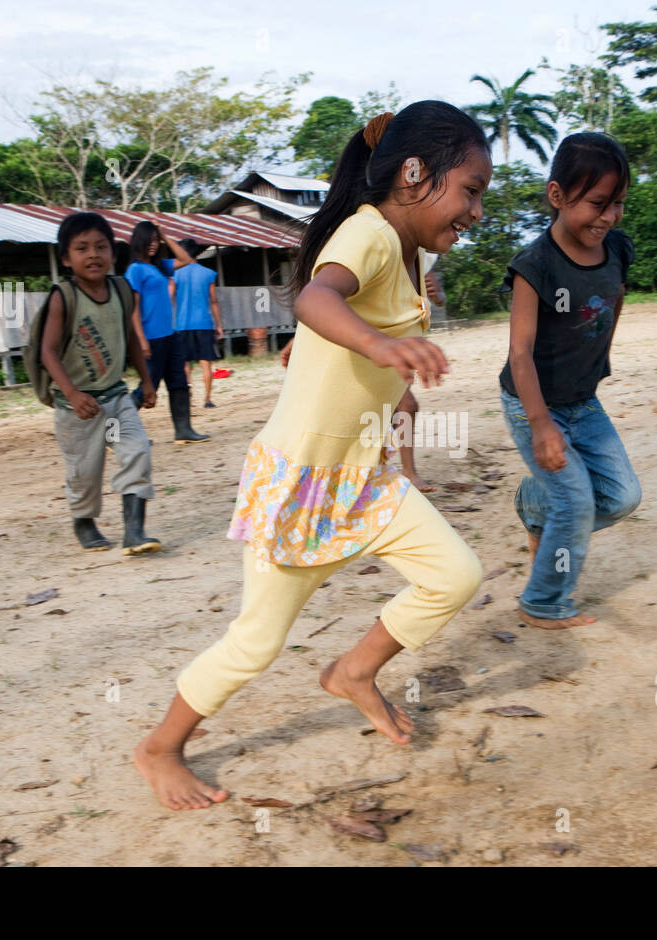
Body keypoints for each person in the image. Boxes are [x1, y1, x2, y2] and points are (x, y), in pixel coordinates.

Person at [134, 101, 491, 810]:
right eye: (472, 190)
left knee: (454, 575)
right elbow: (316, 297)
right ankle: (160, 747)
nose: (477, 210)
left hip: (366, 479)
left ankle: (353, 671)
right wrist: (378, 344)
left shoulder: (411, 256)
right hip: (303, 483)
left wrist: (400, 425)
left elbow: (381, 379)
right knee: (256, 644)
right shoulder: (371, 233)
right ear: (415, 176)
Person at [499, 132, 642, 629]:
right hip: (532, 404)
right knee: (577, 501)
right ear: (557, 196)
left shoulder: (617, 248)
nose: (608, 217)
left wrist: (600, 356)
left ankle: (536, 503)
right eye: (598, 203)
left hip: (583, 401)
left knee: (623, 497)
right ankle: (542, 602)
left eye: (619, 203)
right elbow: (520, 352)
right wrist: (541, 426)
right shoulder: (534, 266)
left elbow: (615, 295)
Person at [39, 212, 161, 555]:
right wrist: (72, 393)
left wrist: (146, 380)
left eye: (100, 247)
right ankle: (84, 520)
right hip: (76, 409)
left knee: (136, 450)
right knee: (85, 473)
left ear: (112, 252)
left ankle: (134, 531)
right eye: (81, 248)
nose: (93, 254)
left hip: (115, 399)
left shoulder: (121, 290)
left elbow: (131, 340)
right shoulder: (63, 297)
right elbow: (47, 352)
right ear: (66, 258)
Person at [278, 253, 443, 492]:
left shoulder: (418, 256)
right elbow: (325, 301)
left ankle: (398, 473)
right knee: (389, 410)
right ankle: (375, 476)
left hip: (386, 347)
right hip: (360, 343)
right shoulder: (374, 250)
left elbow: (437, 299)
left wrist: (438, 296)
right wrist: (301, 337)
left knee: (400, 408)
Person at [125, 221, 209, 443]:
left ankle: (184, 430)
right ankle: (116, 434)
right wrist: (141, 339)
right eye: (149, 240)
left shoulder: (160, 266)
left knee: (179, 383)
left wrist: (164, 235)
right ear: (139, 241)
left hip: (170, 335)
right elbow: (132, 309)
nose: (153, 244)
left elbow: (187, 260)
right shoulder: (135, 270)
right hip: (151, 338)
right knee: (147, 385)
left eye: (156, 240)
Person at [174, 238, 224, 408]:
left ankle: (188, 398)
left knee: (185, 365)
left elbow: (169, 297)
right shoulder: (208, 273)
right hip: (204, 323)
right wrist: (219, 325)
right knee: (205, 364)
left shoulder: (175, 274)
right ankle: (208, 400)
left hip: (182, 324)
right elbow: (214, 301)